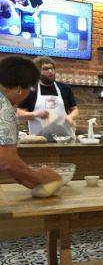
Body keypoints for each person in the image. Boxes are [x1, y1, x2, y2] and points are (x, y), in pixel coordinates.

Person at [0, 55, 61, 187]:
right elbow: (6, 161)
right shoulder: (4, 109)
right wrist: (40, 179)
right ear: (19, 89)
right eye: (30, 88)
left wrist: (25, 178)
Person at [17, 56, 78, 140]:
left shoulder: (64, 88)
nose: (50, 71)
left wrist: (70, 117)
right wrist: (35, 114)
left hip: (65, 140)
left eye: (52, 68)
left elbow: (75, 109)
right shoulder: (31, 90)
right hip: (39, 142)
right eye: (45, 69)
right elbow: (20, 114)